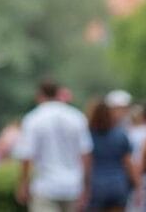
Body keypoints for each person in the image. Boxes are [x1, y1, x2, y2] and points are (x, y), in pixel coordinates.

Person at [15, 79, 93, 212]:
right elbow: (86, 154)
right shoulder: (76, 117)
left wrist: (23, 183)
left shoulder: (34, 118)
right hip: (73, 185)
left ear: (39, 95)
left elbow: (27, 155)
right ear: (58, 93)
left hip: (45, 186)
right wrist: (86, 185)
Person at [85, 99, 137, 212]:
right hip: (118, 184)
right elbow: (128, 163)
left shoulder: (87, 135)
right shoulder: (120, 134)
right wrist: (137, 184)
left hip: (95, 185)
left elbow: (86, 163)